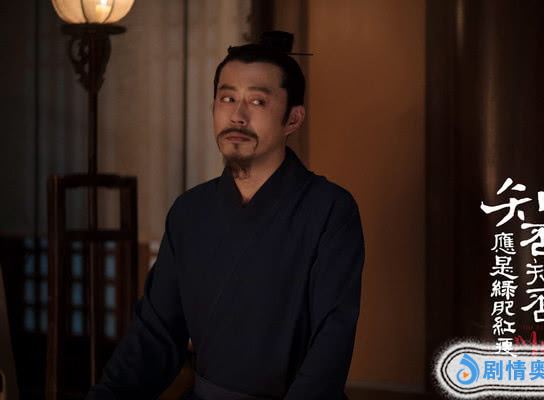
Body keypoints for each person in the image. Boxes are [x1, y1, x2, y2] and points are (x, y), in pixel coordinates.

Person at [86, 31, 365, 400]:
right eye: (227, 98)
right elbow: (155, 334)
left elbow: (331, 343)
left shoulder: (330, 210)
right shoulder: (189, 212)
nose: (237, 115)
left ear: (293, 119)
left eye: (257, 101)